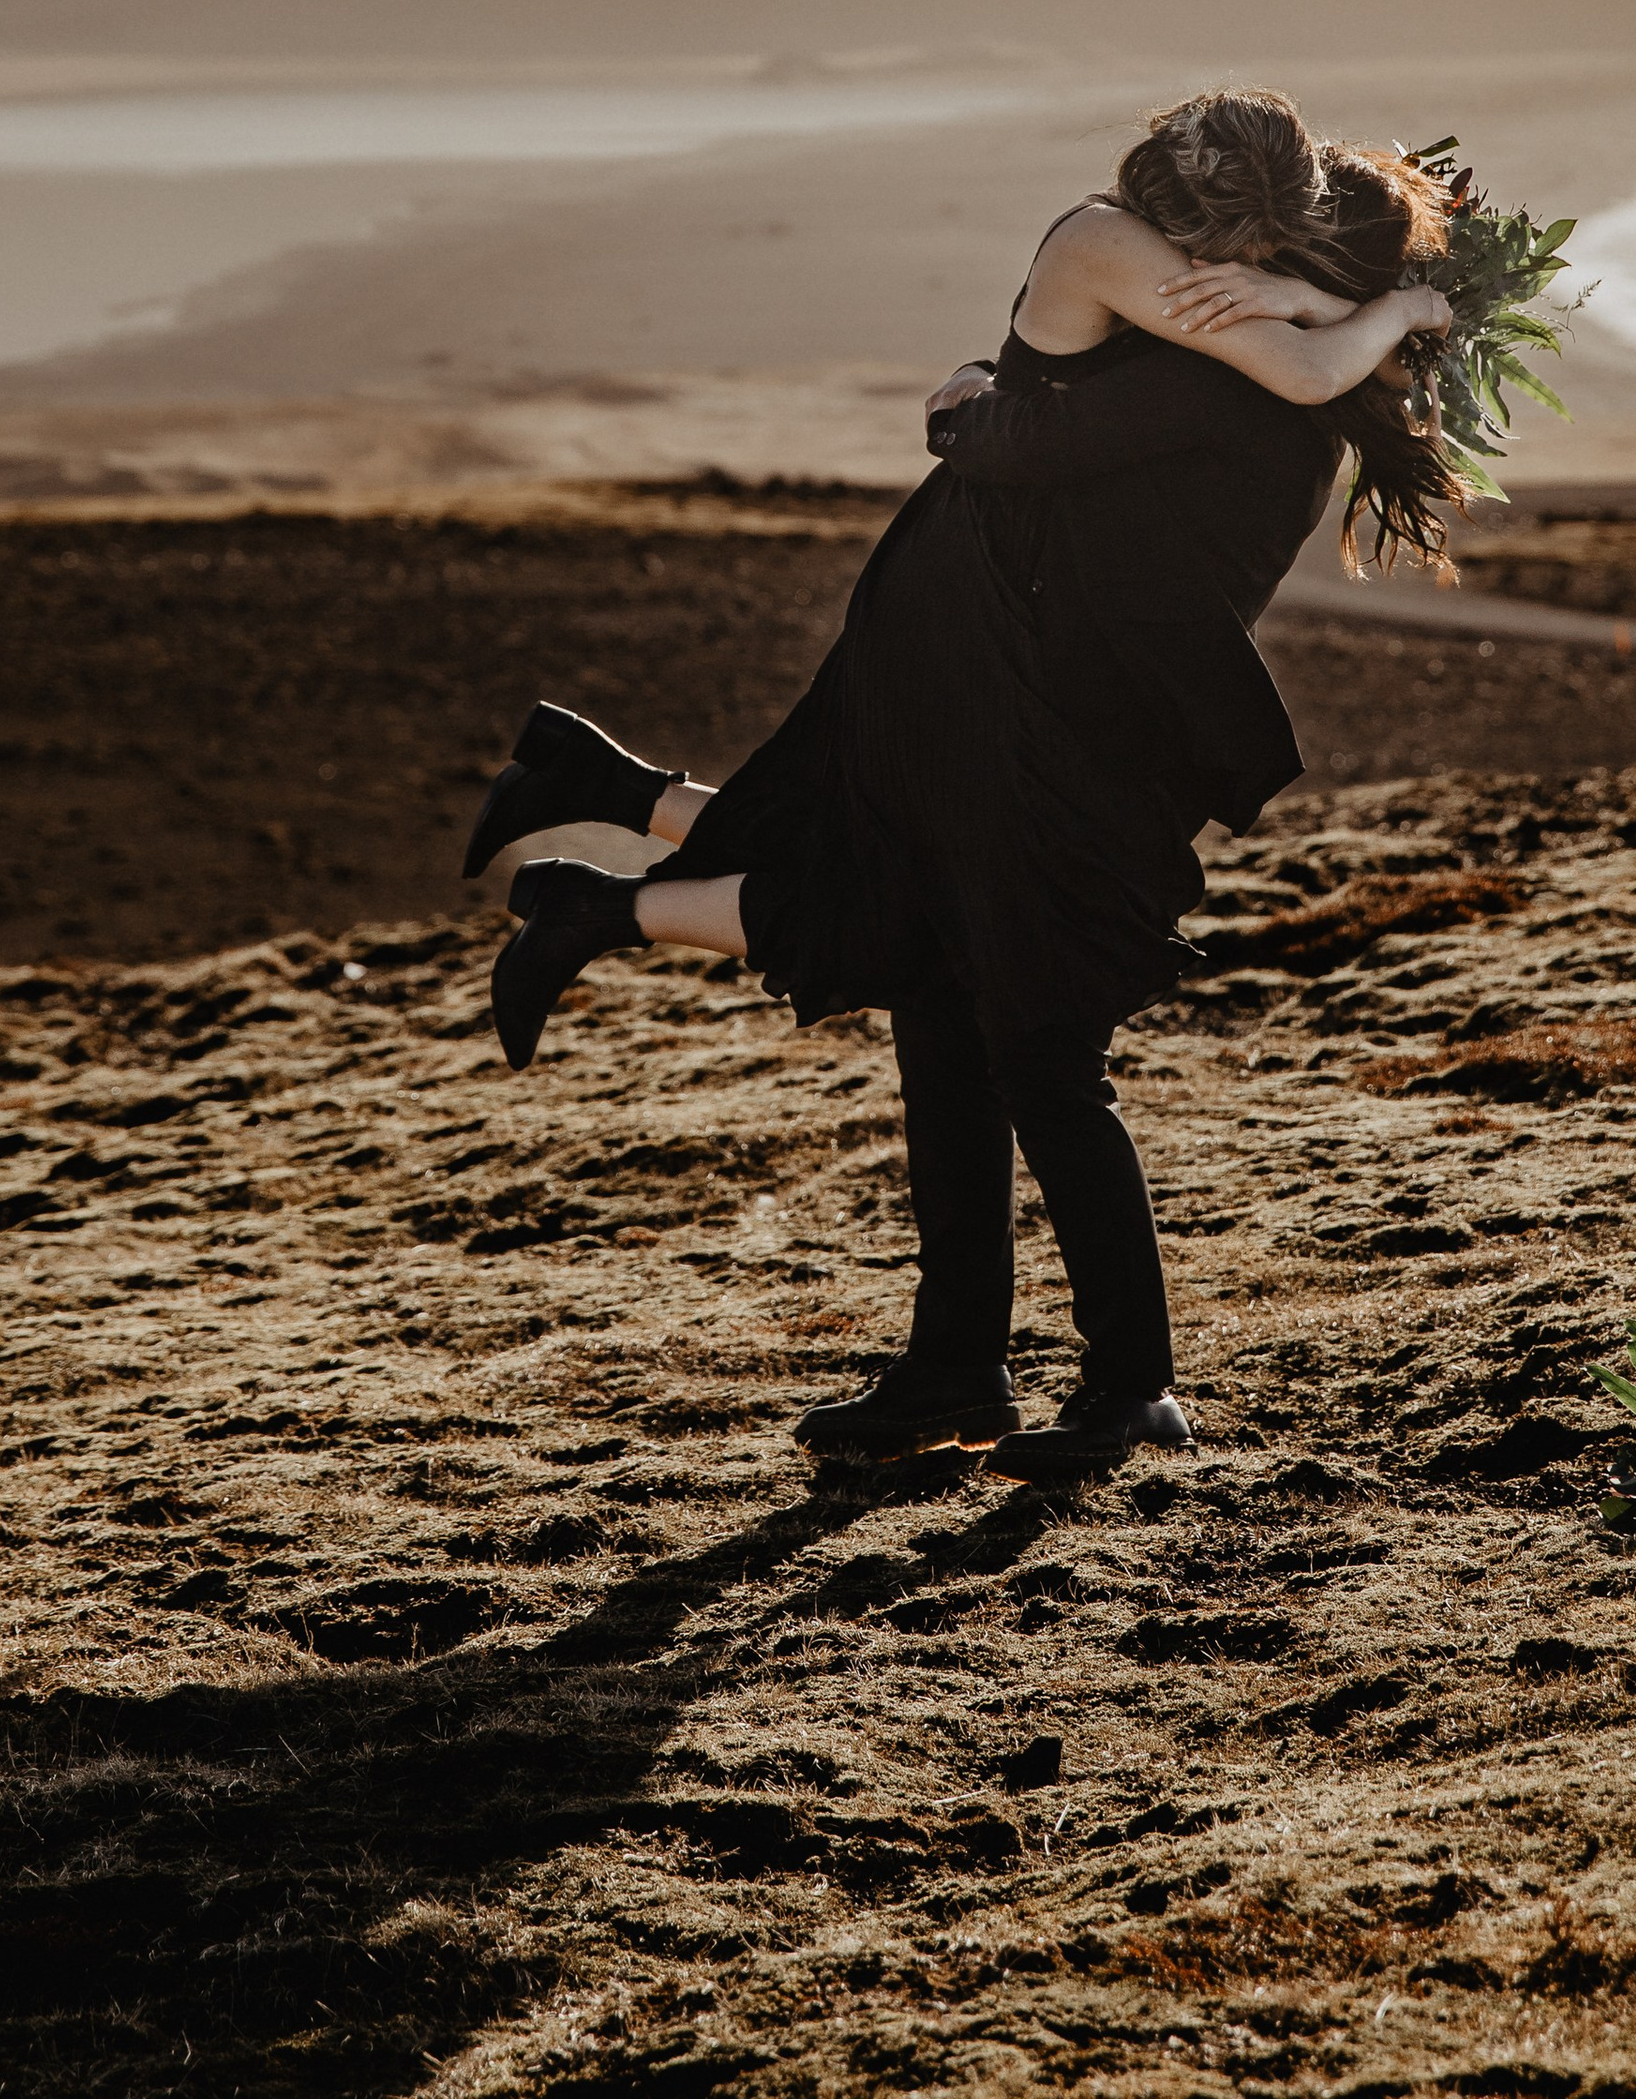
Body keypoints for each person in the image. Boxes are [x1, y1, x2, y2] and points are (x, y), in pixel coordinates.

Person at [461, 89, 1455, 1483]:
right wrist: (1365, 309)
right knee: (945, 1003)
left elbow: (1025, 442)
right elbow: (1040, 436)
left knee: (1025, 1039)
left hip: (1058, 711)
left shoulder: (1248, 361)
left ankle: (1114, 1387)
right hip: (1009, 679)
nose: (1197, 257)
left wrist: (983, 410)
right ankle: (966, 1367)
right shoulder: (1220, 332)